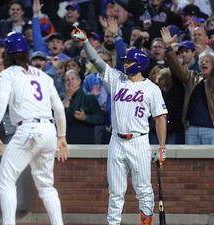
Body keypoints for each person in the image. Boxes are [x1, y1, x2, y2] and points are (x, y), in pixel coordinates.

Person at [71, 26, 168, 225]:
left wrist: (161, 147)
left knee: (143, 190)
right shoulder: (117, 79)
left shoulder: (152, 89)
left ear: (139, 63)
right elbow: (96, 61)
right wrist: (85, 42)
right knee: (115, 191)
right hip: (116, 140)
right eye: (125, 60)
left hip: (139, 141)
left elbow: (160, 118)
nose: (126, 63)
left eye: (130, 60)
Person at [0, 32, 69, 225]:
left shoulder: (8, 73)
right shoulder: (42, 75)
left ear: (7, 54)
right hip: (49, 130)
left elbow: (1, 98)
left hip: (29, 129)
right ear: (26, 53)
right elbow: (58, 107)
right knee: (46, 186)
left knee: (5, 180)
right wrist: (62, 136)